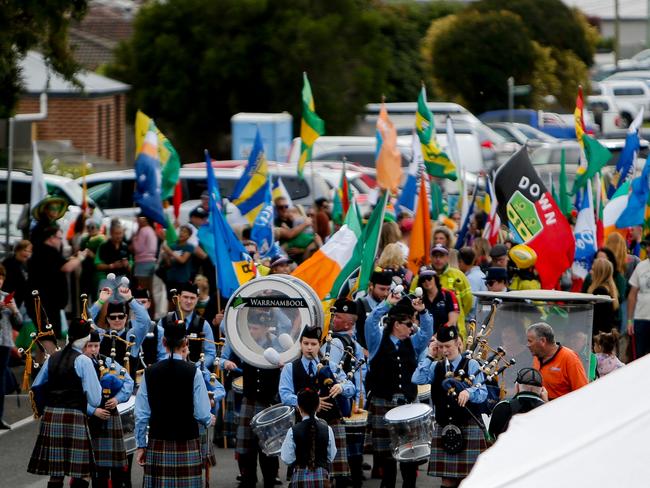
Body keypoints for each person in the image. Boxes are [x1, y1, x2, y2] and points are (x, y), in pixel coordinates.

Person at [134, 316, 214, 488]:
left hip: (158, 440)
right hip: (187, 441)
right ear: (185, 342)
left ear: (163, 341)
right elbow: (201, 413)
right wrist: (208, 419)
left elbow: (141, 413)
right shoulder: (195, 372)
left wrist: (141, 445)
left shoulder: (149, 373)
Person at [364, 293, 433, 488]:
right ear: (396, 324)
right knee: (387, 457)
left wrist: (424, 312)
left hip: (407, 404)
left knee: (409, 454)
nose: (412, 328)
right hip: (383, 402)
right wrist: (386, 304)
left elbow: (427, 332)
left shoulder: (413, 343)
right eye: (409, 324)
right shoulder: (377, 341)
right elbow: (371, 321)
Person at [27, 317, 102, 488]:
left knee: (56, 472)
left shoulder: (52, 358)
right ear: (86, 340)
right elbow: (95, 398)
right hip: (74, 415)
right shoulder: (84, 360)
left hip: (52, 415)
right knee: (82, 472)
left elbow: (37, 386)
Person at [412, 324, 487, 487]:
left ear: (458, 343)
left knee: (470, 480)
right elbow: (417, 379)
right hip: (445, 426)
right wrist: (430, 356)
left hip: (468, 425)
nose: (445, 350)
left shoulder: (472, 364)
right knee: (447, 480)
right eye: (440, 346)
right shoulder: (436, 366)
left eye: (448, 346)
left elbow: (483, 393)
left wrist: (469, 392)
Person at [279, 326, 356, 487]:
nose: (309, 348)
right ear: (300, 344)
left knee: (339, 477)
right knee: (305, 471)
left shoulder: (332, 366)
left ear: (319, 345)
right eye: (306, 343)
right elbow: (285, 396)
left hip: (333, 422)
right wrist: (312, 403)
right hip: (304, 424)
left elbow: (351, 388)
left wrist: (341, 387)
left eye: (313, 344)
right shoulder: (290, 368)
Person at [221, 310, 282, 488]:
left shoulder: (278, 345)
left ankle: (270, 480)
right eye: (250, 327)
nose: (252, 331)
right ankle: (248, 480)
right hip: (249, 400)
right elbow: (228, 330)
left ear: (265, 328)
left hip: (269, 402)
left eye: (255, 328)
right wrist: (225, 362)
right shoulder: (243, 344)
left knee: (268, 446)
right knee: (247, 447)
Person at [83, 330, 134, 488]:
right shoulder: (79, 365)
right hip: (89, 420)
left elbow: (128, 382)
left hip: (110, 417)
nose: (93, 350)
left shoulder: (107, 361)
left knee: (117, 469)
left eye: (96, 346)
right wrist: (93, 410)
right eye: (89, 346)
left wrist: (117, 399)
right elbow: (75, 395)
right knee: (98, 471)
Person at [327, 298, 366, 488]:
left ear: (349, 323)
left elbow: (332, 370)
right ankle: (355, 480)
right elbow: (361, 375)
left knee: (342, 448)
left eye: (338, 317)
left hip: (338, 400)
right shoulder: (355, 343)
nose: (334, 319)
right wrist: (360, 400)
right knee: (353, 447)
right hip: (350, 401)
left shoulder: (336, 341)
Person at [28, 226, 87, 338]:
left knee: (45, 336)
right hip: (47, 302)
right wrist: (81, 258)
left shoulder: (46, 251)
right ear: (51, 238)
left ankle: (44, 356)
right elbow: (66, 267)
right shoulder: (47, 251)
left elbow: (60, 264)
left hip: (48, 302)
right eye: (60, 238)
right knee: (50, 337)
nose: (61, 241)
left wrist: (74, 258)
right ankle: (52, 356)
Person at [89, 285, 152, 377]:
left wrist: (130, 299)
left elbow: (145, 320)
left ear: (126, 318)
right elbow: (86, 321)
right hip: (104, 388)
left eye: (121, 316)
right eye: (113, 317)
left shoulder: (131, 336)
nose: (117, 320)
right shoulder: (101, 335)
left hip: (128, 389)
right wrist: (100, 301)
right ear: (107, 319)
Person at [280, 388, 337, 488]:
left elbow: (287, 459)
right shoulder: (327, 429)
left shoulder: (293, 431)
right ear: (318, 406)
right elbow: (331, 456)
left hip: (299, 479)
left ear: (299, 407)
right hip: (322, 480)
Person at [156, 282, 217, 368]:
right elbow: (159, 351)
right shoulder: (164, 322)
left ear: (197, 299)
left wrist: (196, 368)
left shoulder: (203, 324)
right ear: (179, 298)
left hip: (195, 372)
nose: (189, 301)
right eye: (185, 297)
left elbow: (210, 353)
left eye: (192, 298)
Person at [527, 322, 588, 400]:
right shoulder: (537, 356)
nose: (528, 345)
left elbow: (583, 394)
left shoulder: (570, 358)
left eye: (530, 341)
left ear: (543, 341)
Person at [488, 367, 547, 440]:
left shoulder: (502, 406)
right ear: (542, 390)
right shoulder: (548, 410)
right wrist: (546, 403)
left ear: (517, 386)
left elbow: (491, 437)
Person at [430, 244, 473, 339]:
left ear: (447, 257)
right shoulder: (423, 276)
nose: (438, 259)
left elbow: (468, 302)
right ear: (430, 257)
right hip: (429, 333)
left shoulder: (458, 276)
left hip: (455, 332)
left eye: (441, 256)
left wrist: (458, 314)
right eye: (435, 256)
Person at [0, 264, 22, 429]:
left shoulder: (7, 297)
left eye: (1, 278)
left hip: (5, 342)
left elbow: (19, 324)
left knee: (0, 381)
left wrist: (14, 310)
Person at [355, 270, 393, 349]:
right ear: (371, 285)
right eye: (382, 289)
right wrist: (362, 350)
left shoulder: (392, 307)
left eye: (388, 289)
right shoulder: (358, 306)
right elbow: (352, 335)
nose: (386, 293)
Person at [627, 239, 650, 358]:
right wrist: (630, 320)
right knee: (639, 358)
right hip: (641, 318)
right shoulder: (641, 266)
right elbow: (632, 295)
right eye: (648, 246)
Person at [418, 267, 459, 333]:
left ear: (435, 278)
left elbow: (452, 322)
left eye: (429, 278)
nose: (426, 281)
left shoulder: (448, 295)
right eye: (423, 279)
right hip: (426, 339)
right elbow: (417, 322)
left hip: (446, 338)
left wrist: (436, 336)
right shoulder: (420, 299)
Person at [131, 215, 158, 313]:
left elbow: (139, 248)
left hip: (142, 263)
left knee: (144, 292)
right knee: (151, 291)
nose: (137, 220)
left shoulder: (143, 231)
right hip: (152, 262)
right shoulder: (151, 230)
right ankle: (153, 314)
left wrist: (134, 239)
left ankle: (146, 314)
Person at [587, 258, 620, 336]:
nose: (590, 272)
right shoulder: (609, 289)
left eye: (593, 269)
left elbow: (597, 319)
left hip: (599, 336)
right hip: (605, 335)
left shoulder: (600, 291)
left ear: (599, 273)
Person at [457, 247, 486, 322]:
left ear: (461, 262)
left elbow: (470, 304)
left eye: (458, 262)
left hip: (472, 323)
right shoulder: (481, 274)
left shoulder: (470, 278)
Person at [2, 239, 32, 308]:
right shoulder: (8, 263)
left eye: (29, 251)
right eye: (25, 250)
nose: (27, 254)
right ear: (17, 250)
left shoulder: (26, 264)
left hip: (21, 301)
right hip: (10, 301)